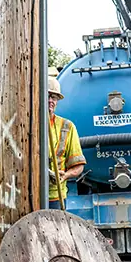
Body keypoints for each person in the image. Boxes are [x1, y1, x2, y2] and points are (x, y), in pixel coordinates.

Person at [48, 68, 86, 209]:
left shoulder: (67, 127)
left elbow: (79, 166)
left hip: (56, 196)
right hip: (31, 193)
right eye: (48, 96)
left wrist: (64, 176)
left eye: (54, 97)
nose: (51, 100)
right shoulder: (28, 124)